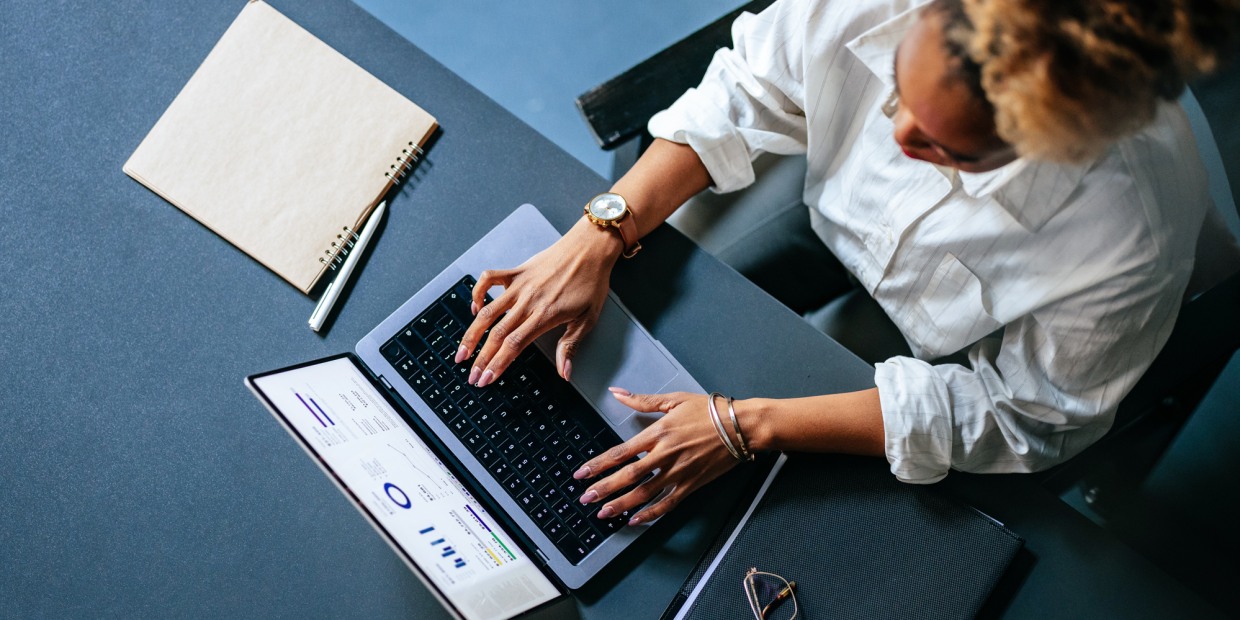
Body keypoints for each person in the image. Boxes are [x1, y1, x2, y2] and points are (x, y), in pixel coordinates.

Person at [455, 0, 1240, 527]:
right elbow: (748, 89)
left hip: (977, 338)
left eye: (946, 149)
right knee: (662, 330)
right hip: (830, 210)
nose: (897, 142)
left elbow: (1023, 414)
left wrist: (749, 424)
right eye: (897, 87)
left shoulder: (1126, 238)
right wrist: (603, 230)